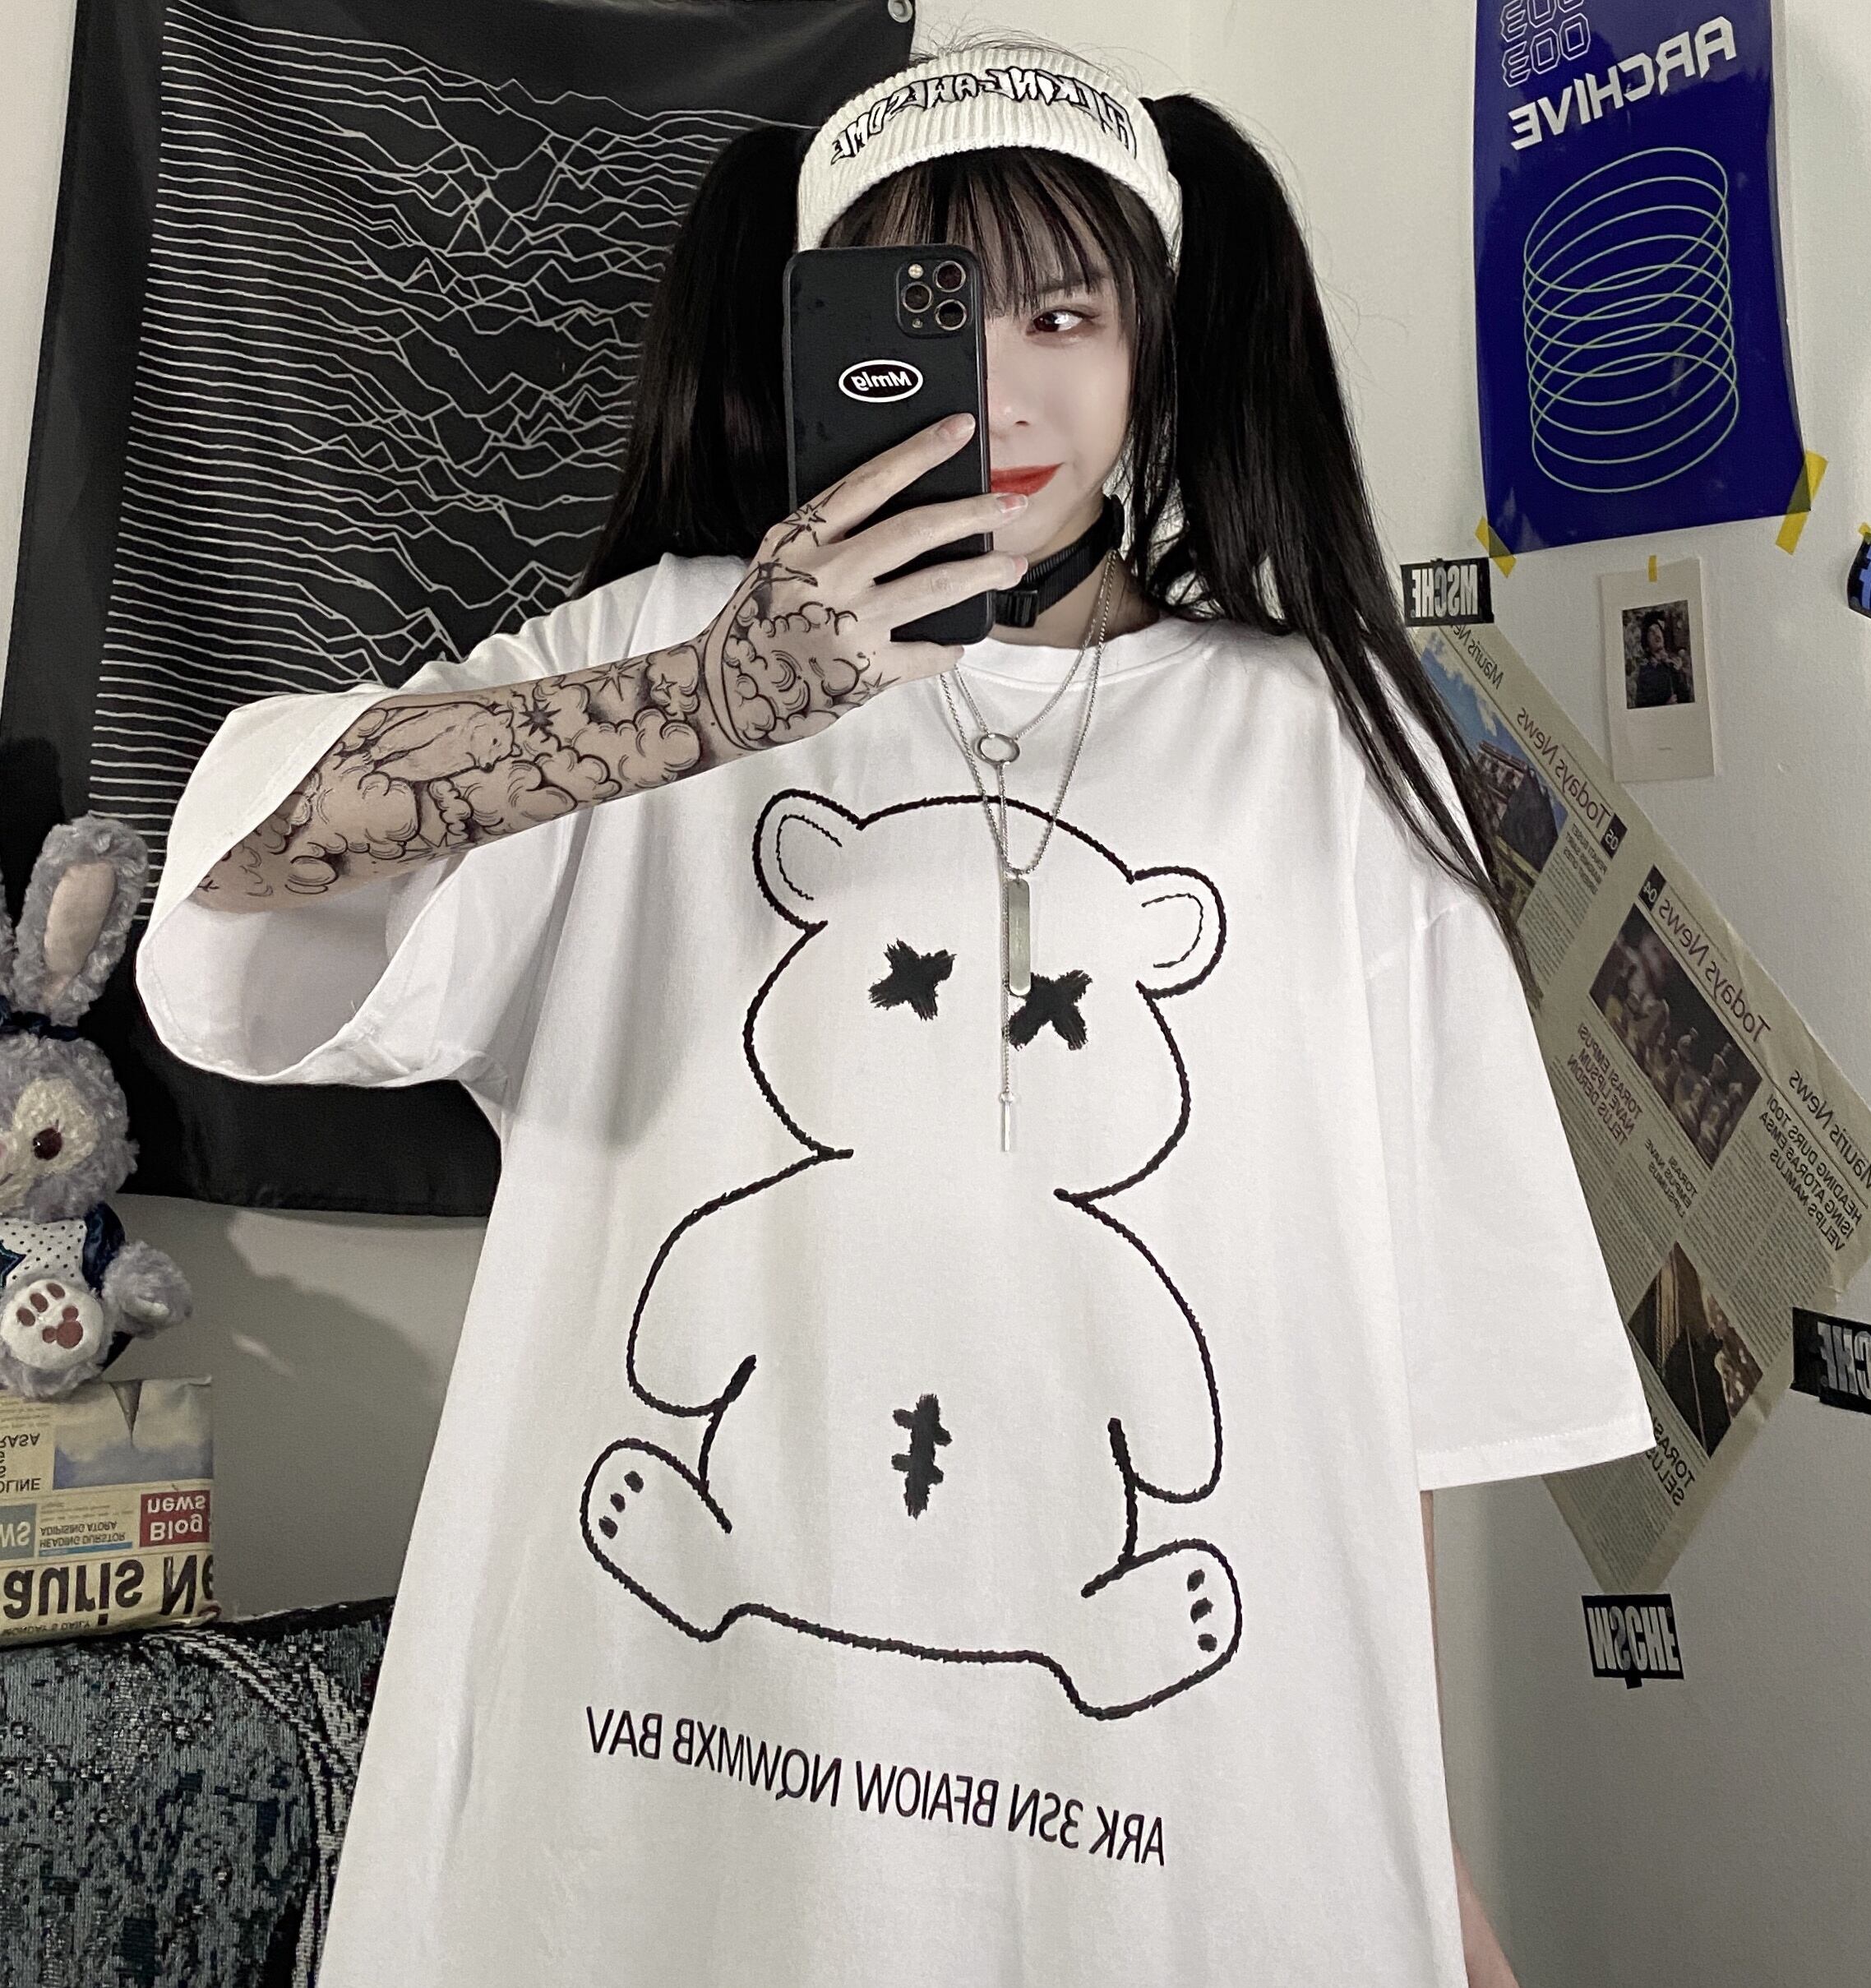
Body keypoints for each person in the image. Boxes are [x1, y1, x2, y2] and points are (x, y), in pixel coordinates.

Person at [134, 35, 1652, 1988]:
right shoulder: (660, 652)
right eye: (932, 310)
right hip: (645, 1846)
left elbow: (1391, 1376)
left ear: (1154, 348)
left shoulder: (1322, 753)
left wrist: (1415, 1856)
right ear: (819, 340)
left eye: (1065, 313)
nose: (1002, 389)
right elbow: (238, 884)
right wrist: (717, 699)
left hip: (1152, 1859)